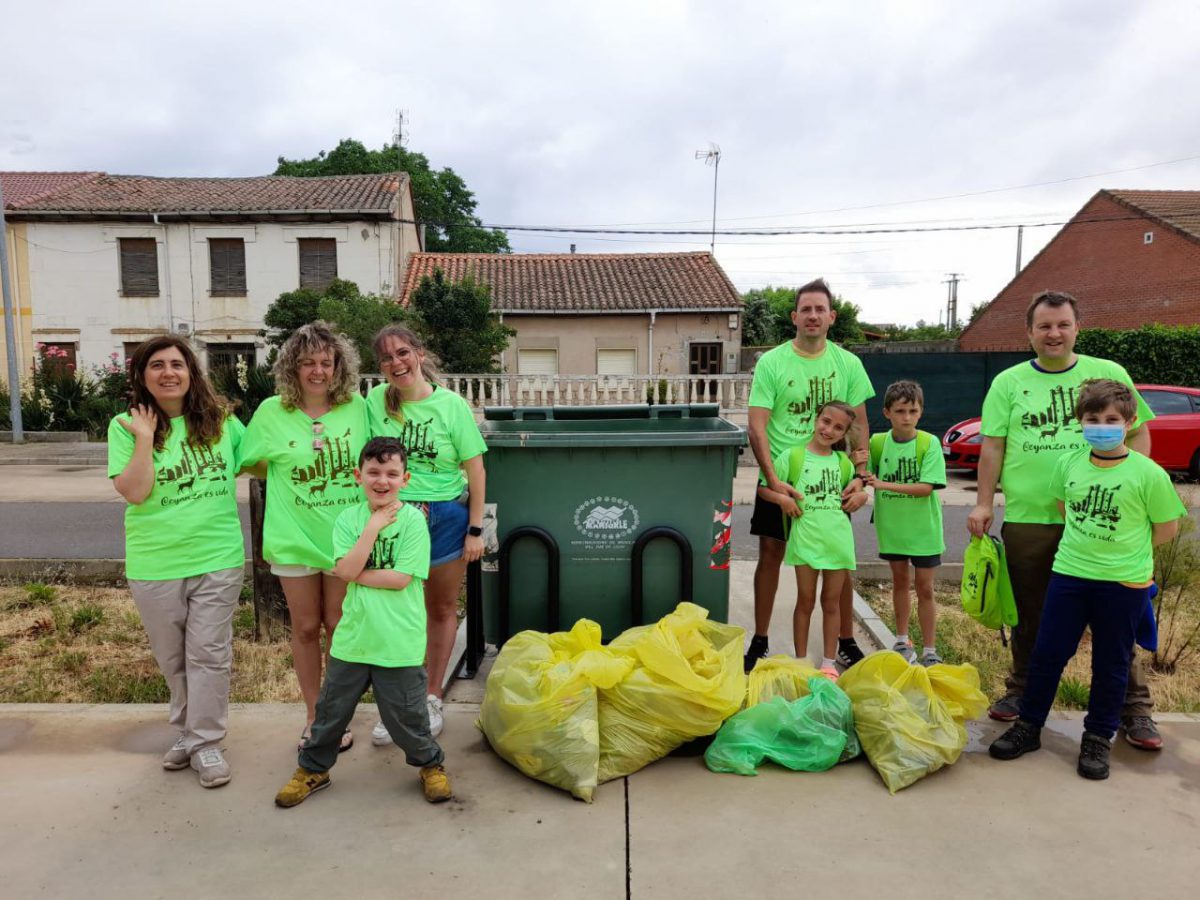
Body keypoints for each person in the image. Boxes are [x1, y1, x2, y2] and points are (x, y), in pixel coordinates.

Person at [966, 291, 1164, 749]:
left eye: (1062, 325)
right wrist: (982, 503)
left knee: (1120, 620)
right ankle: (1022, 694)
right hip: (1031, 518)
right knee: (1030, 615)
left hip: (1102, 525)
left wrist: (1132, 499)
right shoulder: (1008, 383)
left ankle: (1134, 710)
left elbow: (1140, 435)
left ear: (1077, 327)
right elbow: (993, 446)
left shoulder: (1109, 373)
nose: (1053, 333)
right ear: (1029, 332)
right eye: (1044, 326)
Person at [988, 380, 1185, 779]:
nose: (1101, 425)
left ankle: (1097, 738)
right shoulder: (1070, 464)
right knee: (1048, 653)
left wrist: (1128, 558)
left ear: (1129, 423)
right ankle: (1029, 726)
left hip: (1123, 584)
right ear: (1080, 421)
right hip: (1070, 576)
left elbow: (1166, 528)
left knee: (1111, 663)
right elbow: (1066, 509)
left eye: (1111, 419)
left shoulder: (1148, 474)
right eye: (1092, 418)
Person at [274, 437, 452, 807]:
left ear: (406, 477)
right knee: (330, 713)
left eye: (391, 473)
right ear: (358, 475)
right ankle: (313, 770)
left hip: (398, 640)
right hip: (353, 639)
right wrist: (371, 529)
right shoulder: (349, 520)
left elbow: (399, 578)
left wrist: (353, 572)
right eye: (373, 472)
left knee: (408, 717)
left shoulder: (414, 522)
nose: (382, 480)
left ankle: (430, 765)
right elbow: (343, 570)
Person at [108, 336, 245, 788]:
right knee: (174, 659)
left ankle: (206, 742)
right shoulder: (124, 426)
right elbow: (134, 491)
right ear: (142, 376)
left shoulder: (223, 424)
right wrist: (145, 438)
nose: (169, 373)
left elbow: (265, 462)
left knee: (208, 653)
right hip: (155, 563)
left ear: (192, 372)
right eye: (157, 366)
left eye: (177, 364)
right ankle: (190, 733)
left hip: (217, 558)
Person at [242, 321, 368, 751]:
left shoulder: (357, 407)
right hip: (293, 538)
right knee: (306, 627)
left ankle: (337, 715)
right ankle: (314, 716)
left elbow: (377, 460)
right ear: (291, 368)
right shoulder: (271, 412)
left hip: (344, 539)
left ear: (339, 367)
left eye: (326, 362)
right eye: (308, 363)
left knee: (339, 625)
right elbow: (251, 462)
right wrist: (284, 474)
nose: (318, 371)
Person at [745, 278, 875, 673]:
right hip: (784, 471)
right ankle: (761, 639)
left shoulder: (848, 364)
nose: (813, 315)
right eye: (806, 309)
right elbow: (756, 425)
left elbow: (859, 425)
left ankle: (845, 641)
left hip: (830, 476)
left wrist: (860, 476)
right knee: (770, 555)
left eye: (821, 309)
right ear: (794, 317)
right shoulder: (772, 362)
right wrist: (771, 479)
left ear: (832, 317)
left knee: (837, 560)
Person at [365, 325, 486, 743]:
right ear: (379, 367)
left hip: (446, 517)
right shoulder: (376, 402)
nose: (396, 363)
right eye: (386, 358)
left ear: (418, 353)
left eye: (402, 353)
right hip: (395, 517)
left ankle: (431, 696)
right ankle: (398, 704)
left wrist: (475, 529)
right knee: (396, 610)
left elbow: (476, 470)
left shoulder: (451, 406)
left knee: (440, 607)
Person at [755, 401, 865, 680]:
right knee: (805, 601)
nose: (829, 429)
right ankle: (801, 660)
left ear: (843, 435)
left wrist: (862, 493)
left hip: (838, 543)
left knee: (832, 603)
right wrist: (782, 499)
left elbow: (855, 493)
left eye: (838, 428)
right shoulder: (792, 457)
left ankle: (829, 662)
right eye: (826, 421)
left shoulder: (843, 463)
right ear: (816, 420)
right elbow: (765, 489)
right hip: (805, 541)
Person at [862, 380, 946, 666]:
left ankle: (930, 650)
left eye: (912, 410)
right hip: (892, 527)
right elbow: (863, 473)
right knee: (899, 581)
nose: (907, 417)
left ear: (920, 411)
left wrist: (882, 485)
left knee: (925, 588)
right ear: (887, 413)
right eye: (900, 411)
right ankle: (901, 639)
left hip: (924, 529)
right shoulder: (877, 443)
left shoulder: (928, 443)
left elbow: (926, 488)